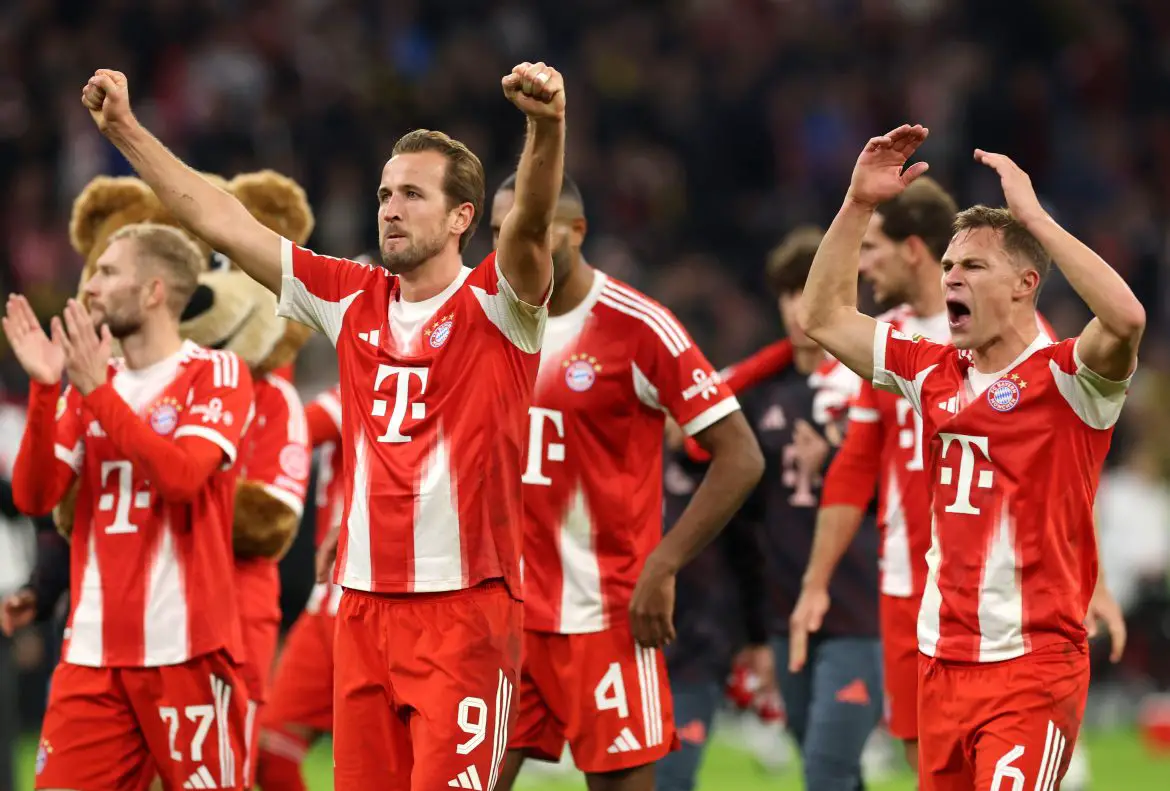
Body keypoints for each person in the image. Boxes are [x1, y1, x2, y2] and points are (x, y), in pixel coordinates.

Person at [81, 60, 567, 790]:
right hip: (361, 609)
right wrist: (127, 131)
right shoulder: (350, 296)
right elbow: (220, 217)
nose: (389, 208)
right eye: (383, 194)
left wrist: (545, 126)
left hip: (466, 611)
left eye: (411, 194)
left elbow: (529, 220)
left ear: (463, 216)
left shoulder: (502, 303)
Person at [799, 124, 1144, 790]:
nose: (952, 276)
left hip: (1031, 666)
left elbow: (1126, 319)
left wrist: (1035, 219)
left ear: (1024, 283)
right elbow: (824, 316)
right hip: (940, 658)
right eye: (949, 264)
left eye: (974, 266)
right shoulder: (929, 370)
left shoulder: (1070, 377)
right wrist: (856, 204)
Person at [487, 174, 764, 791]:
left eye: (531, 225)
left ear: (576, 231)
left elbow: (740, 455)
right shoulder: (489, 317)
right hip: (506, 617)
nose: (513, 242)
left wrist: (664, 564)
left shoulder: (638, 326)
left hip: (603, 616)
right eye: (501, 229)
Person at [3, 223, 254, 791]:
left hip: (186, 652)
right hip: (90, 654)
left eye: (108, 272)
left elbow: (183, 478)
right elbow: (34, 496)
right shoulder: (91, 384)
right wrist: (47, 389)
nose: (90, 286)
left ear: (154, 291)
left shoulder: (216, 374)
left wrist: (96, 393)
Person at [731, 226, 884, 791]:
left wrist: (841, 459)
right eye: (789, 293)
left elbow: (910, 485)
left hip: (859, 610)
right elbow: (747, 520)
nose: (799, 307)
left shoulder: (871, 382)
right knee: (830, 767)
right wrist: (754, 630)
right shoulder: (760, 394)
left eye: (810, 290)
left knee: (826, 771)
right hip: (785, 614)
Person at [255, 384, 344, 791]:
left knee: (386, 764)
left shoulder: (387, 375)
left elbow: (296, 430)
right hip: (325, 604)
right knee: (270, 748)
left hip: (382, 600)